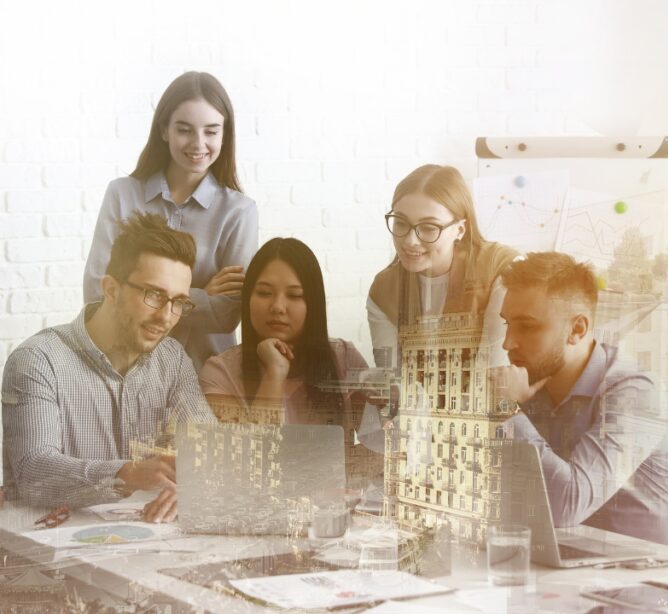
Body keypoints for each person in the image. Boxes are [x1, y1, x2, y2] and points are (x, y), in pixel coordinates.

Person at [493, 251, 668, 557]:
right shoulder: (533, 391)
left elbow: (566, 505)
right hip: (599, 573)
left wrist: (504, 411)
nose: (508, 343)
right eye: (508, 324)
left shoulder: (636, 395)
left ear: (577, 329)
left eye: (528, 327)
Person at [2, 213, 215, 522]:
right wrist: (127, 474)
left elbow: (209, 452)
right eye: (154, 295)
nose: (167, 317)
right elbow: (33, 471)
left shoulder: (173, 360)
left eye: (179, 301)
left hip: (144, 547)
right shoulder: (38, 359)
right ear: (111, 289)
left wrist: (193, 489)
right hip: (50, 557)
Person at [84, 71, 258, 371]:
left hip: (205, 376)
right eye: (185, 129)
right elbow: (96, 292)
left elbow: (229, 313)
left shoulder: (239, 212)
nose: (198, 143)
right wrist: (201, 297)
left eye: (211, 131)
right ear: (164, 129)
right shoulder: (121, 194)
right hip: (123, 369)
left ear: (224, 134)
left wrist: (139, 293)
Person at [199, 238, 384, 488]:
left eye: (295, 295)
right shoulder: (219, 372)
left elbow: (384, 446)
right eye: (264, 293)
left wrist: (338, 476)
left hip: (328, 515)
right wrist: (274, 374)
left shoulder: (343, 359)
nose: (277, 307)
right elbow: (248, 467)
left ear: (313, 304)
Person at [367, 164, 517, 371]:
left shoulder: (501, 269)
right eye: (400, 223)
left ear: (460, 229)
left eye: (429, 228)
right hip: (414, 402)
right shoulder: (384, 290)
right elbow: (391, 378)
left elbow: (496, 372)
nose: (410, 241)